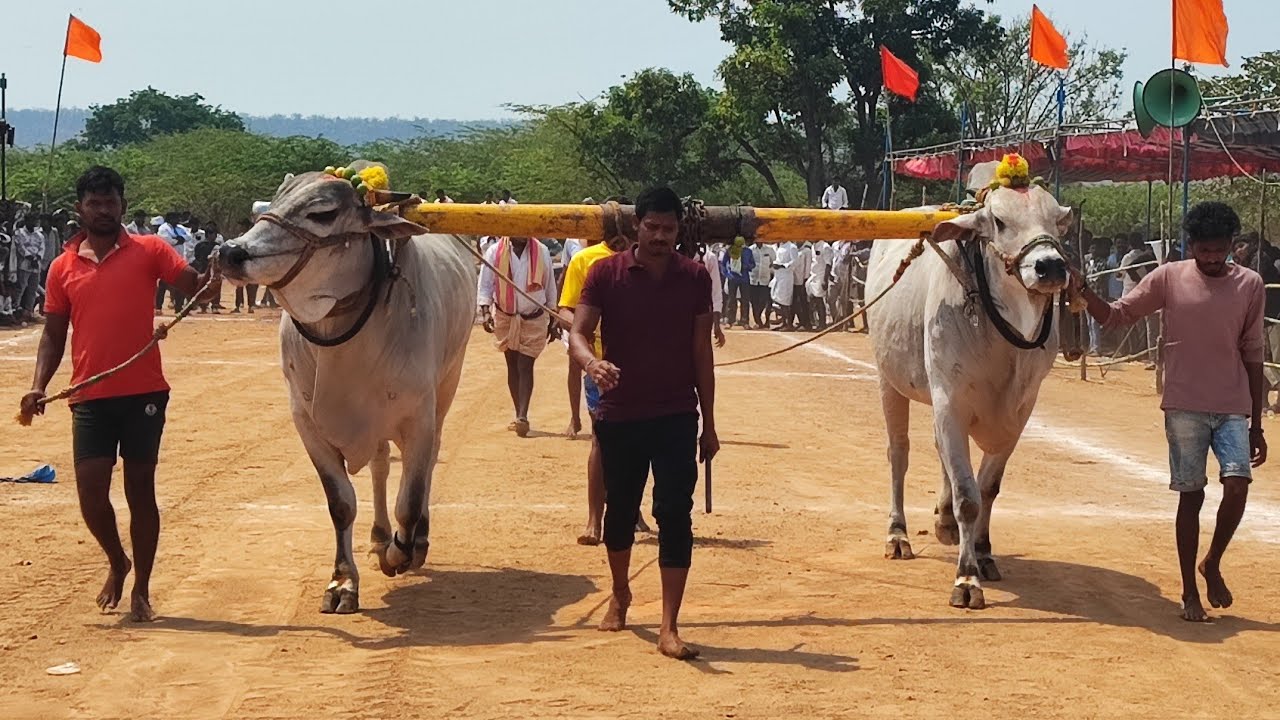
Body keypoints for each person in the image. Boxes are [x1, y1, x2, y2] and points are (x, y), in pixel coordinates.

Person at [19, 166, 218, 622]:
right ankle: (117, 561)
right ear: (80, 209)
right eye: (94, 203)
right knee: (91, 492)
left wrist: (212, 277)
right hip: (89, 395)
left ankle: (142, 589)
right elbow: (52, 334)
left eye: (110, 202)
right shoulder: (62, 266)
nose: (103, 210)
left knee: (139, 490)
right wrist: (37, 385)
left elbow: (194, 289)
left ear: (122, 206)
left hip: (144, 391)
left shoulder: (150, 250)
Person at [1071, 201, 1267, 623]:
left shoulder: (1250, 284)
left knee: (1238, 484)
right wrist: (1084, 292)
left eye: (1221, 250)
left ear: (1232, 245)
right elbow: (1117, 315)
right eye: (1205, 250)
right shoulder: (1168, 278)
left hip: (1232, 404)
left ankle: (1212, 561)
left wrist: (1258, 423)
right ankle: (1189, 590)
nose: (1213, 258)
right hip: (1184, 405)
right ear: (1191, 245)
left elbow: (1253, 352)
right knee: (1191, 495)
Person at [569, 186, 718, 660]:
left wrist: (709, 425)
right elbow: (576, 334)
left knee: (675, 515)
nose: (659, 236)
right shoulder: (604, 274)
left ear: (680, 231)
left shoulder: (695, 277)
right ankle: (620, 592)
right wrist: (591, 365)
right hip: (620, 415)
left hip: (676, 415)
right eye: (651, 227)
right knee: (620, 513)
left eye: (669, 229)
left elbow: (701, 355)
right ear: (636, 226)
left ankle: (669, 625)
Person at [557, 212, 651, 543]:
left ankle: (631, 509)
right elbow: (566, 309)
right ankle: (594, 520)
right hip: (600, 365)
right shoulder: (585, 261)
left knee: (640, 439)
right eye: (614, 233)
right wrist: (585, 329)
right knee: (602, 438)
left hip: (644, 365)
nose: (619, 239)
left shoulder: (652, 259)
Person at [477, 235, 559, 437]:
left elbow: (549, 284)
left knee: (525, 364)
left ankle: (523, 415)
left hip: (534, 317)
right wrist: (486, 311)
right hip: (505, 315)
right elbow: (486, 283)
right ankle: (518, 412)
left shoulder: (542, 251)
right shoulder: (494, 251)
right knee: (512, 363)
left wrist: (553, 315)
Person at [155, 213, 192, 313]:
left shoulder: (180, 227)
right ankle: (158, 307)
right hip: (167, 259)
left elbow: (188, 236)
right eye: (175, 218)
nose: (178, 220)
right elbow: (166, 240)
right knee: (163, 284)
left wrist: (181, 238)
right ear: (170, 219)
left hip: (180, 259)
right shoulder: (163, 228)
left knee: (181, 284)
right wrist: (177, 240)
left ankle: (178, 307)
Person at [11, 215, 44, 322]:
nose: (33, 222)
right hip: (24, 264)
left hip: (36, 265)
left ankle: (28, 311)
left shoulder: (39, 235)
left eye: (35, 219)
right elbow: (20, 247)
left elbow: (42, 248)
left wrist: (37, 258)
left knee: (33, 289)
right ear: (26, 220)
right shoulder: (19, 233)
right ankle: (15, 310)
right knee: (21, 287)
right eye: (31, 219)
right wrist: (30, 258)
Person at [719, 237, 754, 328]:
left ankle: (744, 321)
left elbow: (753, 264)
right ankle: (730, 320)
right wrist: (727, 274)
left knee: (745, 300)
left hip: (744, 278)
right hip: (733, 278)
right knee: (731, 299)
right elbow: (723, 263)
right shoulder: (730, 250)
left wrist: (747, 266)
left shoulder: (748, 251)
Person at [747, 238, 775, 329]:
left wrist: (770, 272)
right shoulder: (750, 250)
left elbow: (773, 262)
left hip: (765, 279)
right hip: (753, 279)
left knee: (763, 300)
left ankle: (758, 318)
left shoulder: (769, 249)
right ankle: (758, 322)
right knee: (754, 302)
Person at [770, 241, 797, 330]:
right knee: (778, 300)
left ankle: (789, 324)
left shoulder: (792, 246)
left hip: (786, 277)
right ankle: (784, 323)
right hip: (778, 276)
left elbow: (794, 262)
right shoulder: (779, 246)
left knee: (785, 301)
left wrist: (781, 266)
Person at [806, 240, 832, 329]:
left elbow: (828, 264)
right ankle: (814, 321)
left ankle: (822, 323)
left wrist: (825, 279)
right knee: (812, 300)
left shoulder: (825, 246)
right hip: (812, 276)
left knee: (819, 300)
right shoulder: (813, 246)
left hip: (820, 276)